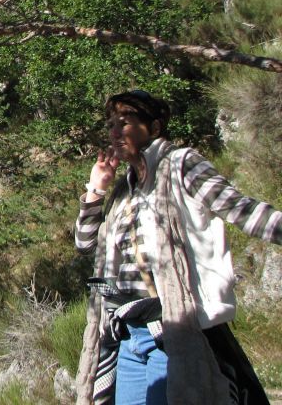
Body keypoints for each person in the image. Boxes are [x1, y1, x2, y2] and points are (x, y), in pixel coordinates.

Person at [74, 90, 281, 405]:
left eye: (125, 122)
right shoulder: (122, 190)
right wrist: (95, 190)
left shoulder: (181, 165)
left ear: (154, 128)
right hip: (128, 334)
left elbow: (239, 209)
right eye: (111, 124)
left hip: (172, 331)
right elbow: (85, 244)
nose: (114, 132)